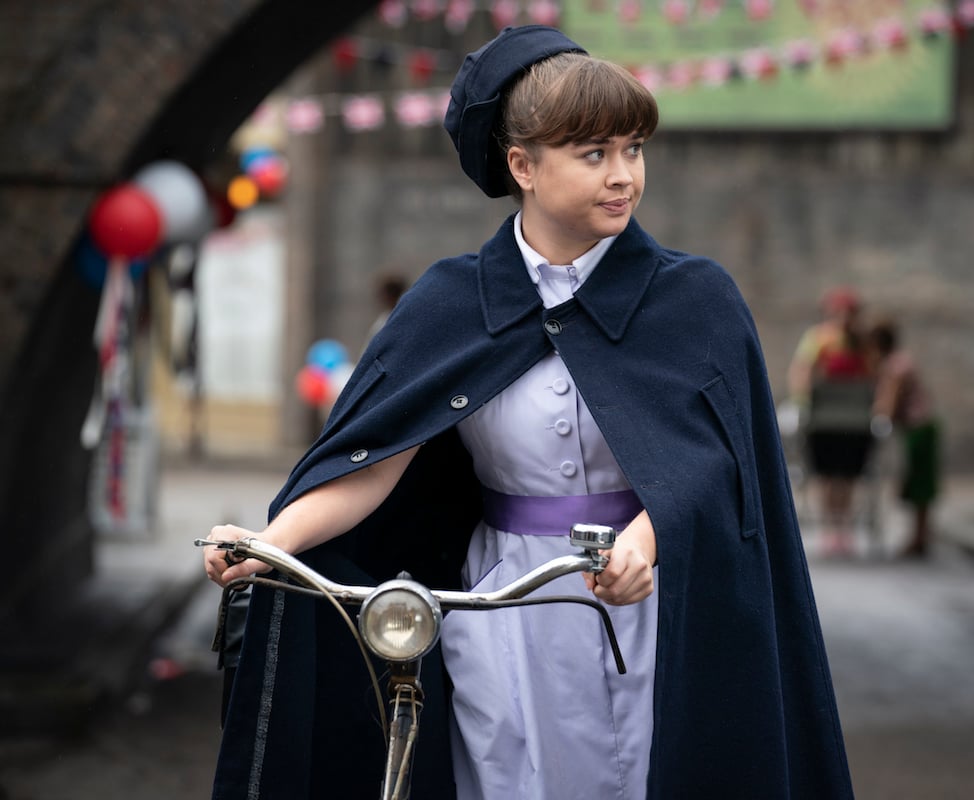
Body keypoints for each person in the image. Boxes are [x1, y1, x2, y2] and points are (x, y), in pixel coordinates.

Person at [202, 25, 854, 800]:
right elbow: (371, 465)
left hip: (651, 611)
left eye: (633, 149)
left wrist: (647, 541)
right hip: (501, 610)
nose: (624, 177)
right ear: (524, 167)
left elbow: (719, 468)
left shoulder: (697, 300)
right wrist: (269, 546)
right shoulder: (450, 303)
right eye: (594, 154)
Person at [787, 286, 874, 552]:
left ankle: (844, 528)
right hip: (824, 420)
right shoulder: (818, 338)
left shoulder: (863, 342)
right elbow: (802, 371)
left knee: (849, 476)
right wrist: (803, 402)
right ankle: (829, 528)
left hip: (855, 421)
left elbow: (874, 374)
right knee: (825, 476)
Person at [865, 316, 941, 558]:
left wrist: (876, 414)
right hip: (923, 427)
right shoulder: (902, 361)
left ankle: (919, 538)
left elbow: (889, 402)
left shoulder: (894, 367)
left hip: (918, 430)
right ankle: (920, 537)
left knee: (919, 486)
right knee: (919, 485)